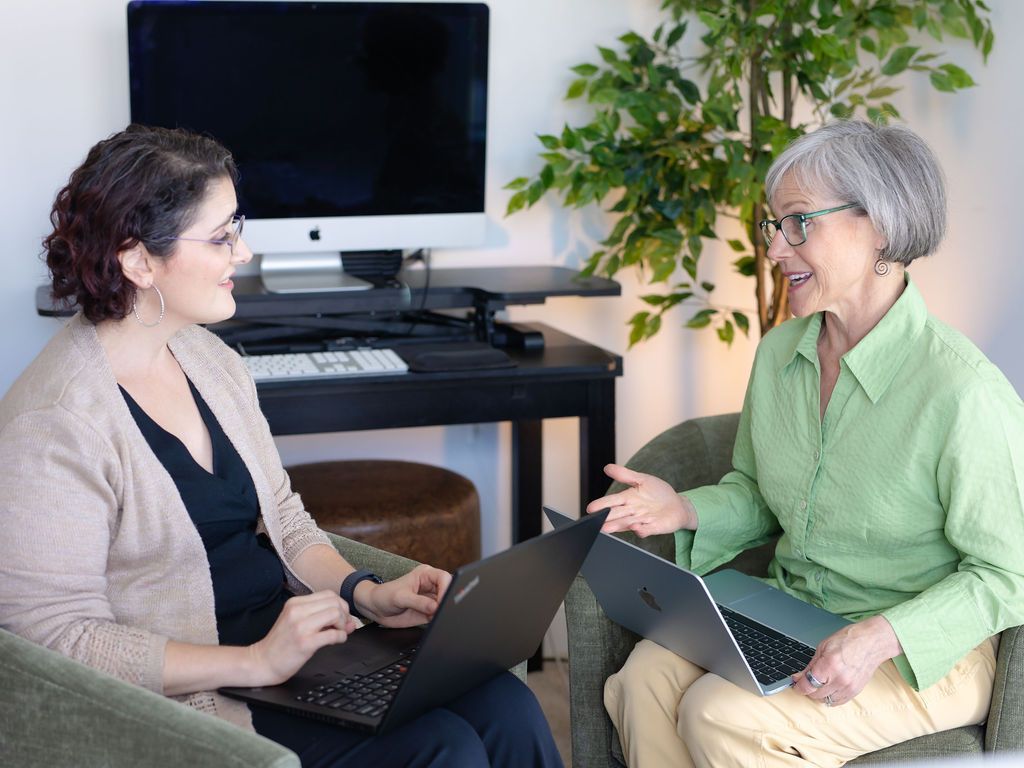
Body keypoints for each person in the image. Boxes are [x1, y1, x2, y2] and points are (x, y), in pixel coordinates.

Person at [0, 124, 562, 768]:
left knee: (506, 703)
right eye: (220, 239)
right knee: (444, 749)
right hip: (193, 693)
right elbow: (55, 640)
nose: (242, 254)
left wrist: (365, 592)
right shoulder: (53, 423)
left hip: (290, 654)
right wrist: (254, 661)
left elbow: (286, 519)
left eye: (236, 229)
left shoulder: (208, 358)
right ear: (137, 259)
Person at [587, 119, 1024, 767]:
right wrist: (685, 509)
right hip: (795, 610)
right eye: (773, 226)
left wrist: (879, 637)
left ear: (879, 225)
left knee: (721, 717)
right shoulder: (778, 355)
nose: (775, 249)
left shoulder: (963, 392)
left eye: (798, 223)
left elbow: (1007, 573)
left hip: (920, 652)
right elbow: (763, 496)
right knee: (642, 681)